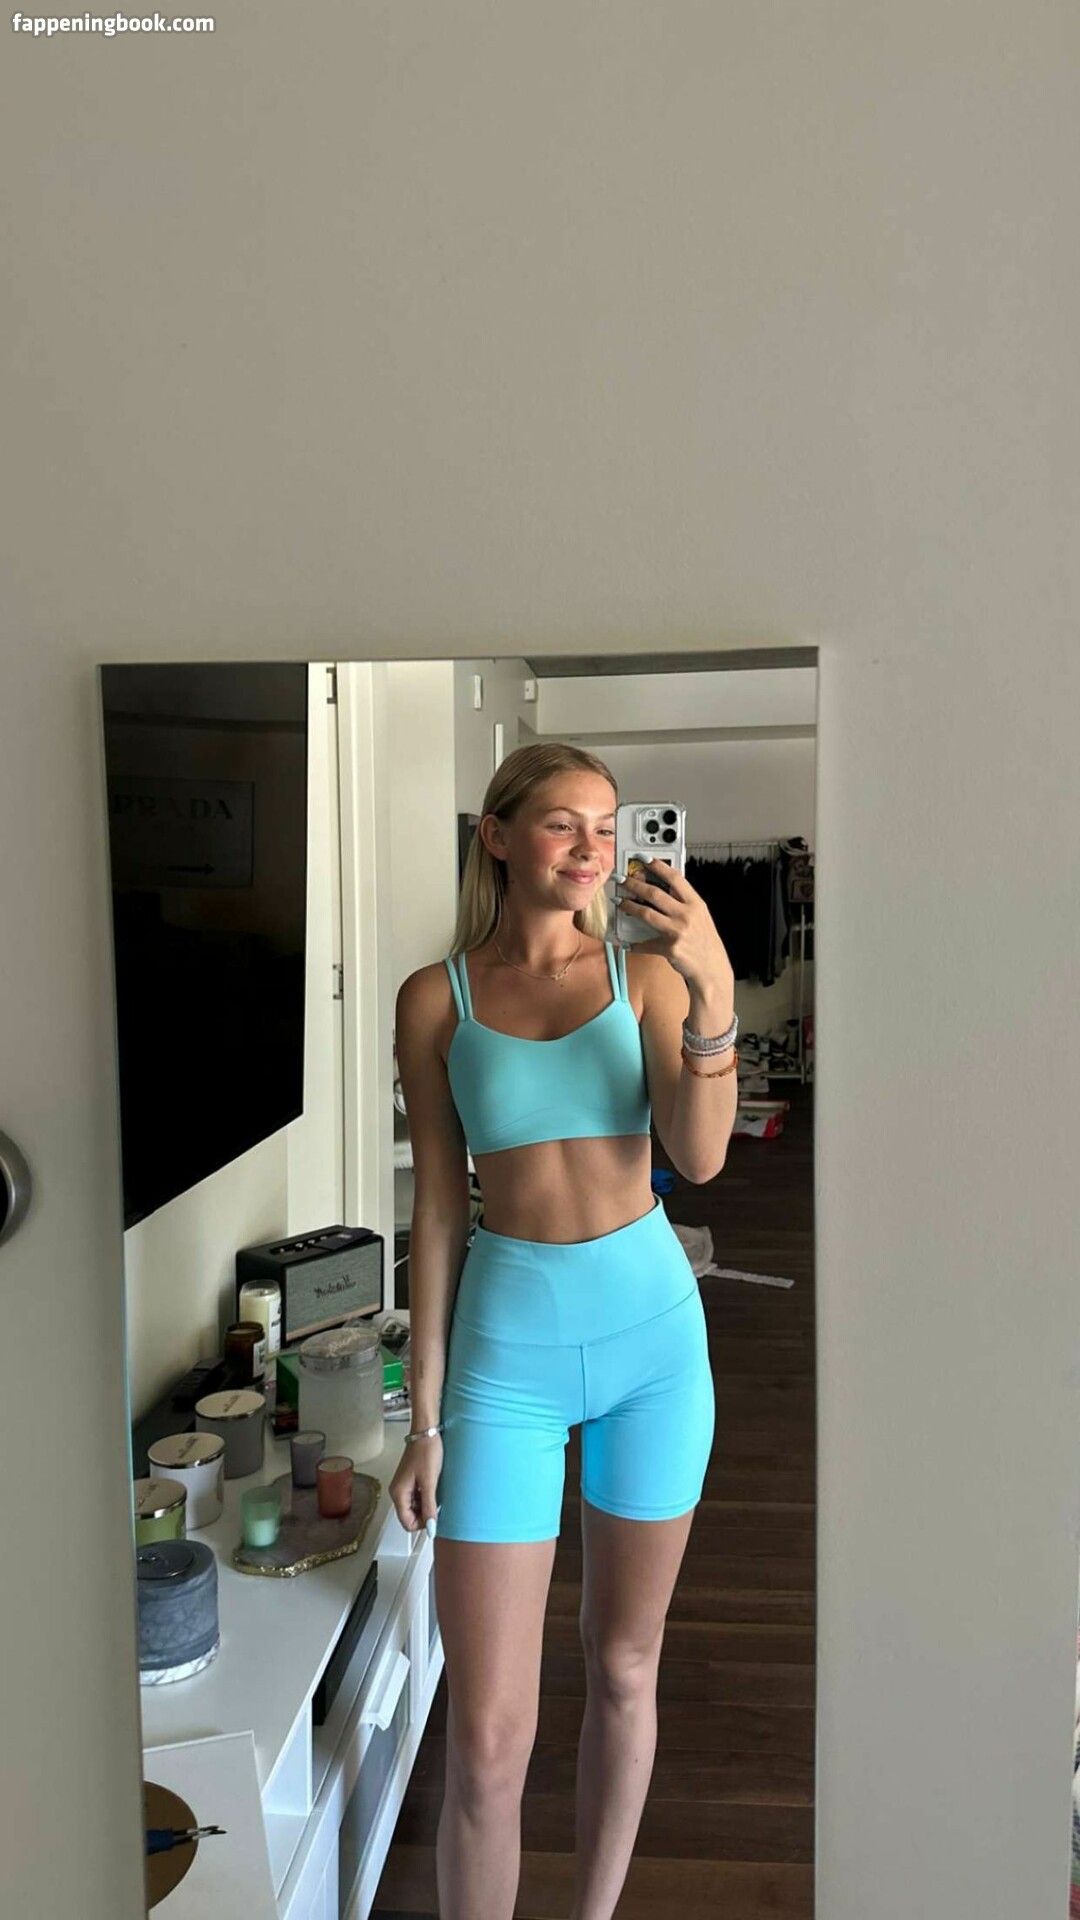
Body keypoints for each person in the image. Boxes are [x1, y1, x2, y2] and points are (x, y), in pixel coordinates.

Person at [389, 742, 738, 1920]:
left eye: (606, 825)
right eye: (561, 824)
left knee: (624, 1662)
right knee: (487, 1735)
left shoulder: (645, 976)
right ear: (496, 835)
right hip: (506, 1360)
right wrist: (423, 1419)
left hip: (654, 1346)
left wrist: (714, 989)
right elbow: (440, 1208)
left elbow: (700, 1157)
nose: (592, 849)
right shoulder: (437, 998)